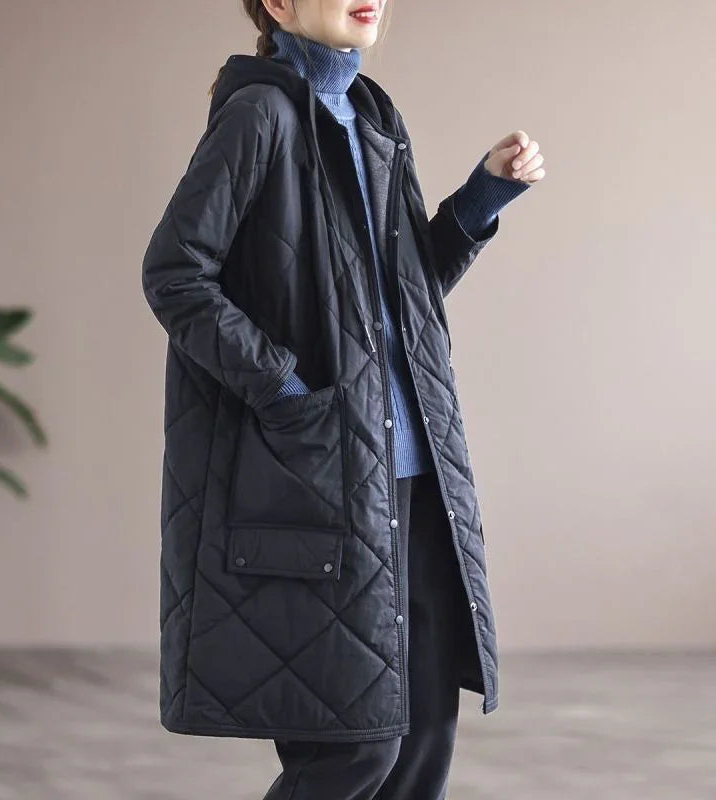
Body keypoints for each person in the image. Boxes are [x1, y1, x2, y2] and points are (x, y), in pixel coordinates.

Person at [141, 1, 543, 797]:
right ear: (279, 3)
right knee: (354, 753)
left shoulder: (372, 114)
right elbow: (176, 274)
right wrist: (286, 390)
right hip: (323, 479)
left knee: (423, 745)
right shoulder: (261, 114)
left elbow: (403, 296)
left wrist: (482, 198)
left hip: (415, 474)